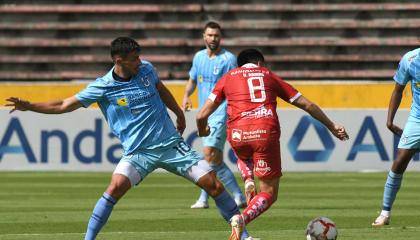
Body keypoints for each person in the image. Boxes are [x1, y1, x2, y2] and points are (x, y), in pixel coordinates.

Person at [5, 37, 253, 240]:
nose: (140, 61)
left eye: (139, 56)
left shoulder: (146, 70)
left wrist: (178, 112)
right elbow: (62, 104)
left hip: (171, 145)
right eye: (134, 58)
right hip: (138, 153)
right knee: (113, 189)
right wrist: (30, 106)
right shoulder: (102, 86)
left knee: (215, 185)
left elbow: (160, 88)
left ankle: (243, 236)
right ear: (118, 60)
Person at [196, 49, 349, 239]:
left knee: (241, 151)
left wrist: (203, 131)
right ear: (259, 63)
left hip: (238, 134)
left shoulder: (228, 77)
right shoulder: (268, 75)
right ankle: (241, 219)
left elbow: (201, 115)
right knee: (269, 193)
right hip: (264, 133)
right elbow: (307, 105)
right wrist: (332, 126)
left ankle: (248, 178)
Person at [183, 21, 246, 209]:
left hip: (221, 112)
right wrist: (186, 95)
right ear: (204, 36)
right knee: (211, 158)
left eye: (216, 35)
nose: (213, 38)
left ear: (221, 37)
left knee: (209, 155)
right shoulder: (198, 57)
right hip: (204, 113)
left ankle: (237, 194)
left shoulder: (228, 59)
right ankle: (205, 198)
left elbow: (236, 87)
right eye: (210, 35)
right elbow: (192, 79)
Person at [372, 47, 420, 227]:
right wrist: (389, 121)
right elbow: (398, 90)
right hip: (417, 119)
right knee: (399, 161)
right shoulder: (410, 59)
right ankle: (385, 213)